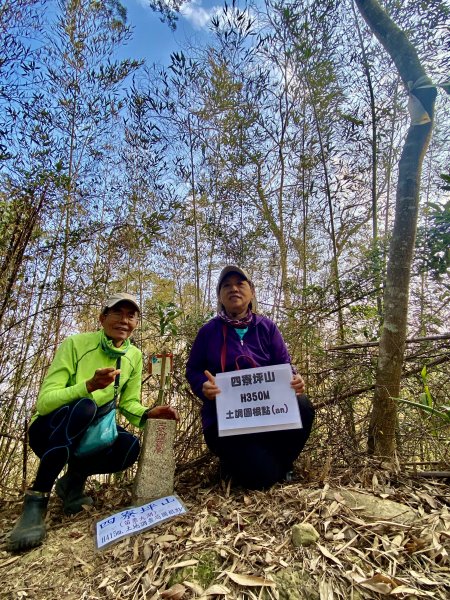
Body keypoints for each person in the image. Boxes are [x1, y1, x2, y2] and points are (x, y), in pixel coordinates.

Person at [7, 292, 178, 552]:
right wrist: (87, 386)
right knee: (85, 407)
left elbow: (128, 403)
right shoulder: (75, 344)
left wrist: (147, 413)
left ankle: (73, 483)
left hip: (89, 434)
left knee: (128, 446)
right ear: (102, 318)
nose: (124, 320)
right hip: (49, 431)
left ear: (136, 324)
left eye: (130, 316)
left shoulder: (133, 356)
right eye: (117, 313)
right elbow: (45, 402)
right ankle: (36, 499)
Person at [186, 266, 315, 490]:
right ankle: (247, 464)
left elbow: (285, 366)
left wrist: (295, 379)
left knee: (303, 405)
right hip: (223, 421)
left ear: (252, 292)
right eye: (226, 285)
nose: (233, 289)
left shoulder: (267, 328)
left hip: (267, 417)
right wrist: (203, 385)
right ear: (219, 296)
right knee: (259, 480)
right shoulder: (208, 331)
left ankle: (279, 465)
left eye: (240, 284)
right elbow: (193, 370)